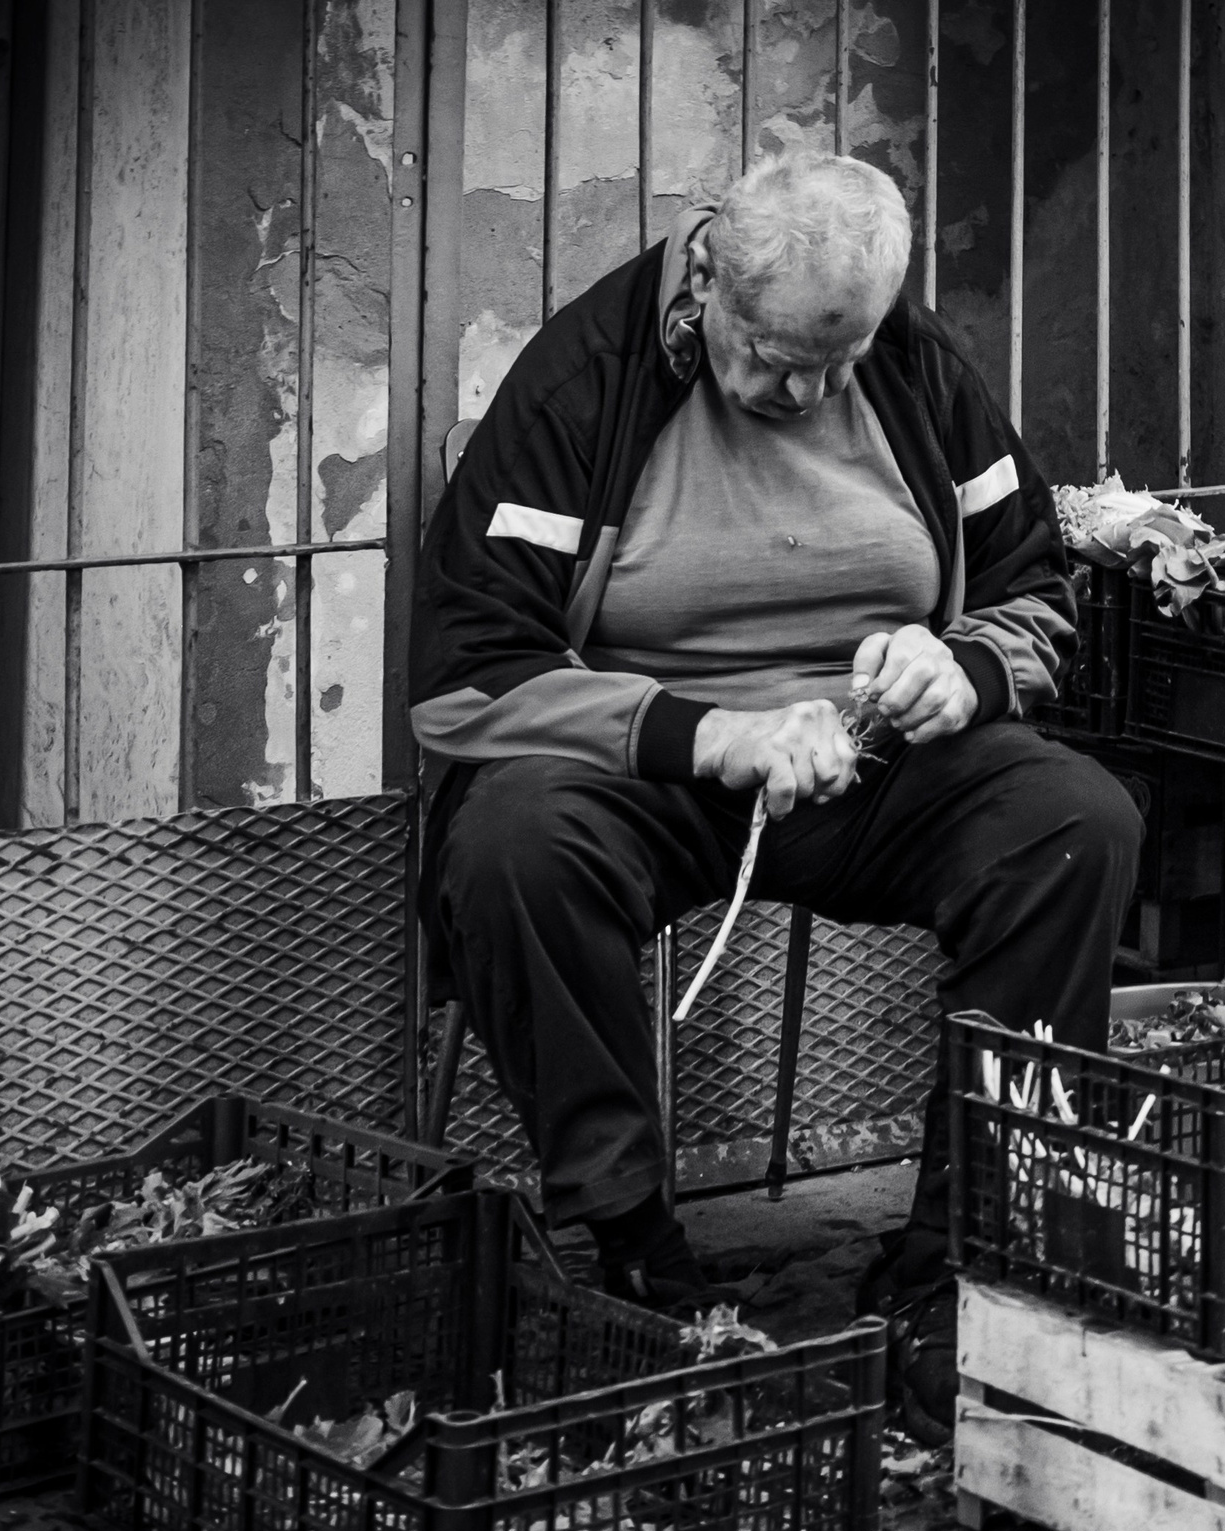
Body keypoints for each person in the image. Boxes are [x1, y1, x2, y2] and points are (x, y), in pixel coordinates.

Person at [408, 151, 1143, 1439]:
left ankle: (958, 1267)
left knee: (1076, 823)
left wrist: (963, 668)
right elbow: (467, 678)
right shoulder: (582, 380)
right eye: (774, 357)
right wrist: (714, 737)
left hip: (872, 756)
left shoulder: (913, 364)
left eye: (836, 362)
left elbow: (1034, 594)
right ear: (706, 281)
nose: (805, 393)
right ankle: (635, 1255)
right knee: (512, 848)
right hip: (652, 762)